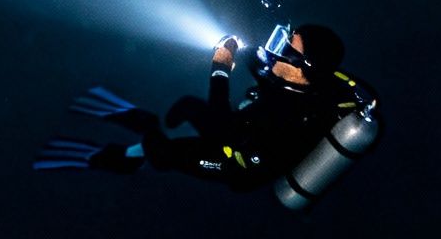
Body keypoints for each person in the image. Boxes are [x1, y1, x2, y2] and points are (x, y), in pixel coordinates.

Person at [35, 23, 376, 191]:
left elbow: (222, 129)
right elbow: (260, 66)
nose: (275, 52)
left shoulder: (292, 114)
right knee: (188, 108)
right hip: (242, 129)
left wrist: (219, 69)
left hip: (238, 163)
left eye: (286, 50)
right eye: (280, 40)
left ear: (304, 69)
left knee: (164, 151)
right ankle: (144, 138)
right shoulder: (301, 79)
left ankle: (123, 158)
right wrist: (236, 48)